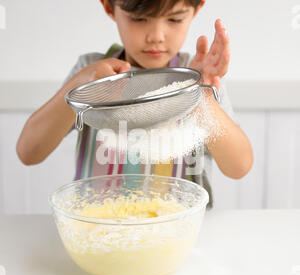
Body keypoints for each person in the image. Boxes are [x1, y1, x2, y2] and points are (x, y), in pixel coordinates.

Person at [16, 0, 253, 208]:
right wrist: (79, 84)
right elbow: (29, 152)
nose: (156, 36)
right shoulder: (91, 72)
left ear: (196, 8)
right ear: (110, 7)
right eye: (139, 19)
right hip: (100, 228)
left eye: (174, 19)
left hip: (178, 230)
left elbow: (239, 167)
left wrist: (202, 98)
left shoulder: (200, 76)